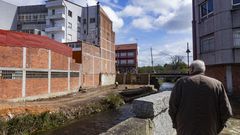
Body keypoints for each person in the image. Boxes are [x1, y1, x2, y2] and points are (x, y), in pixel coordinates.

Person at [169, 60, 232, 135]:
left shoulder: (181, 83)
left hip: (185, 129)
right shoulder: (217, 84)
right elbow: (226, 111)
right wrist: (217, 128)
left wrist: (176, 125)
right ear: (203, 69)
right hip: (210, 129)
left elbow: (172, 107)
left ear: (192, 69)